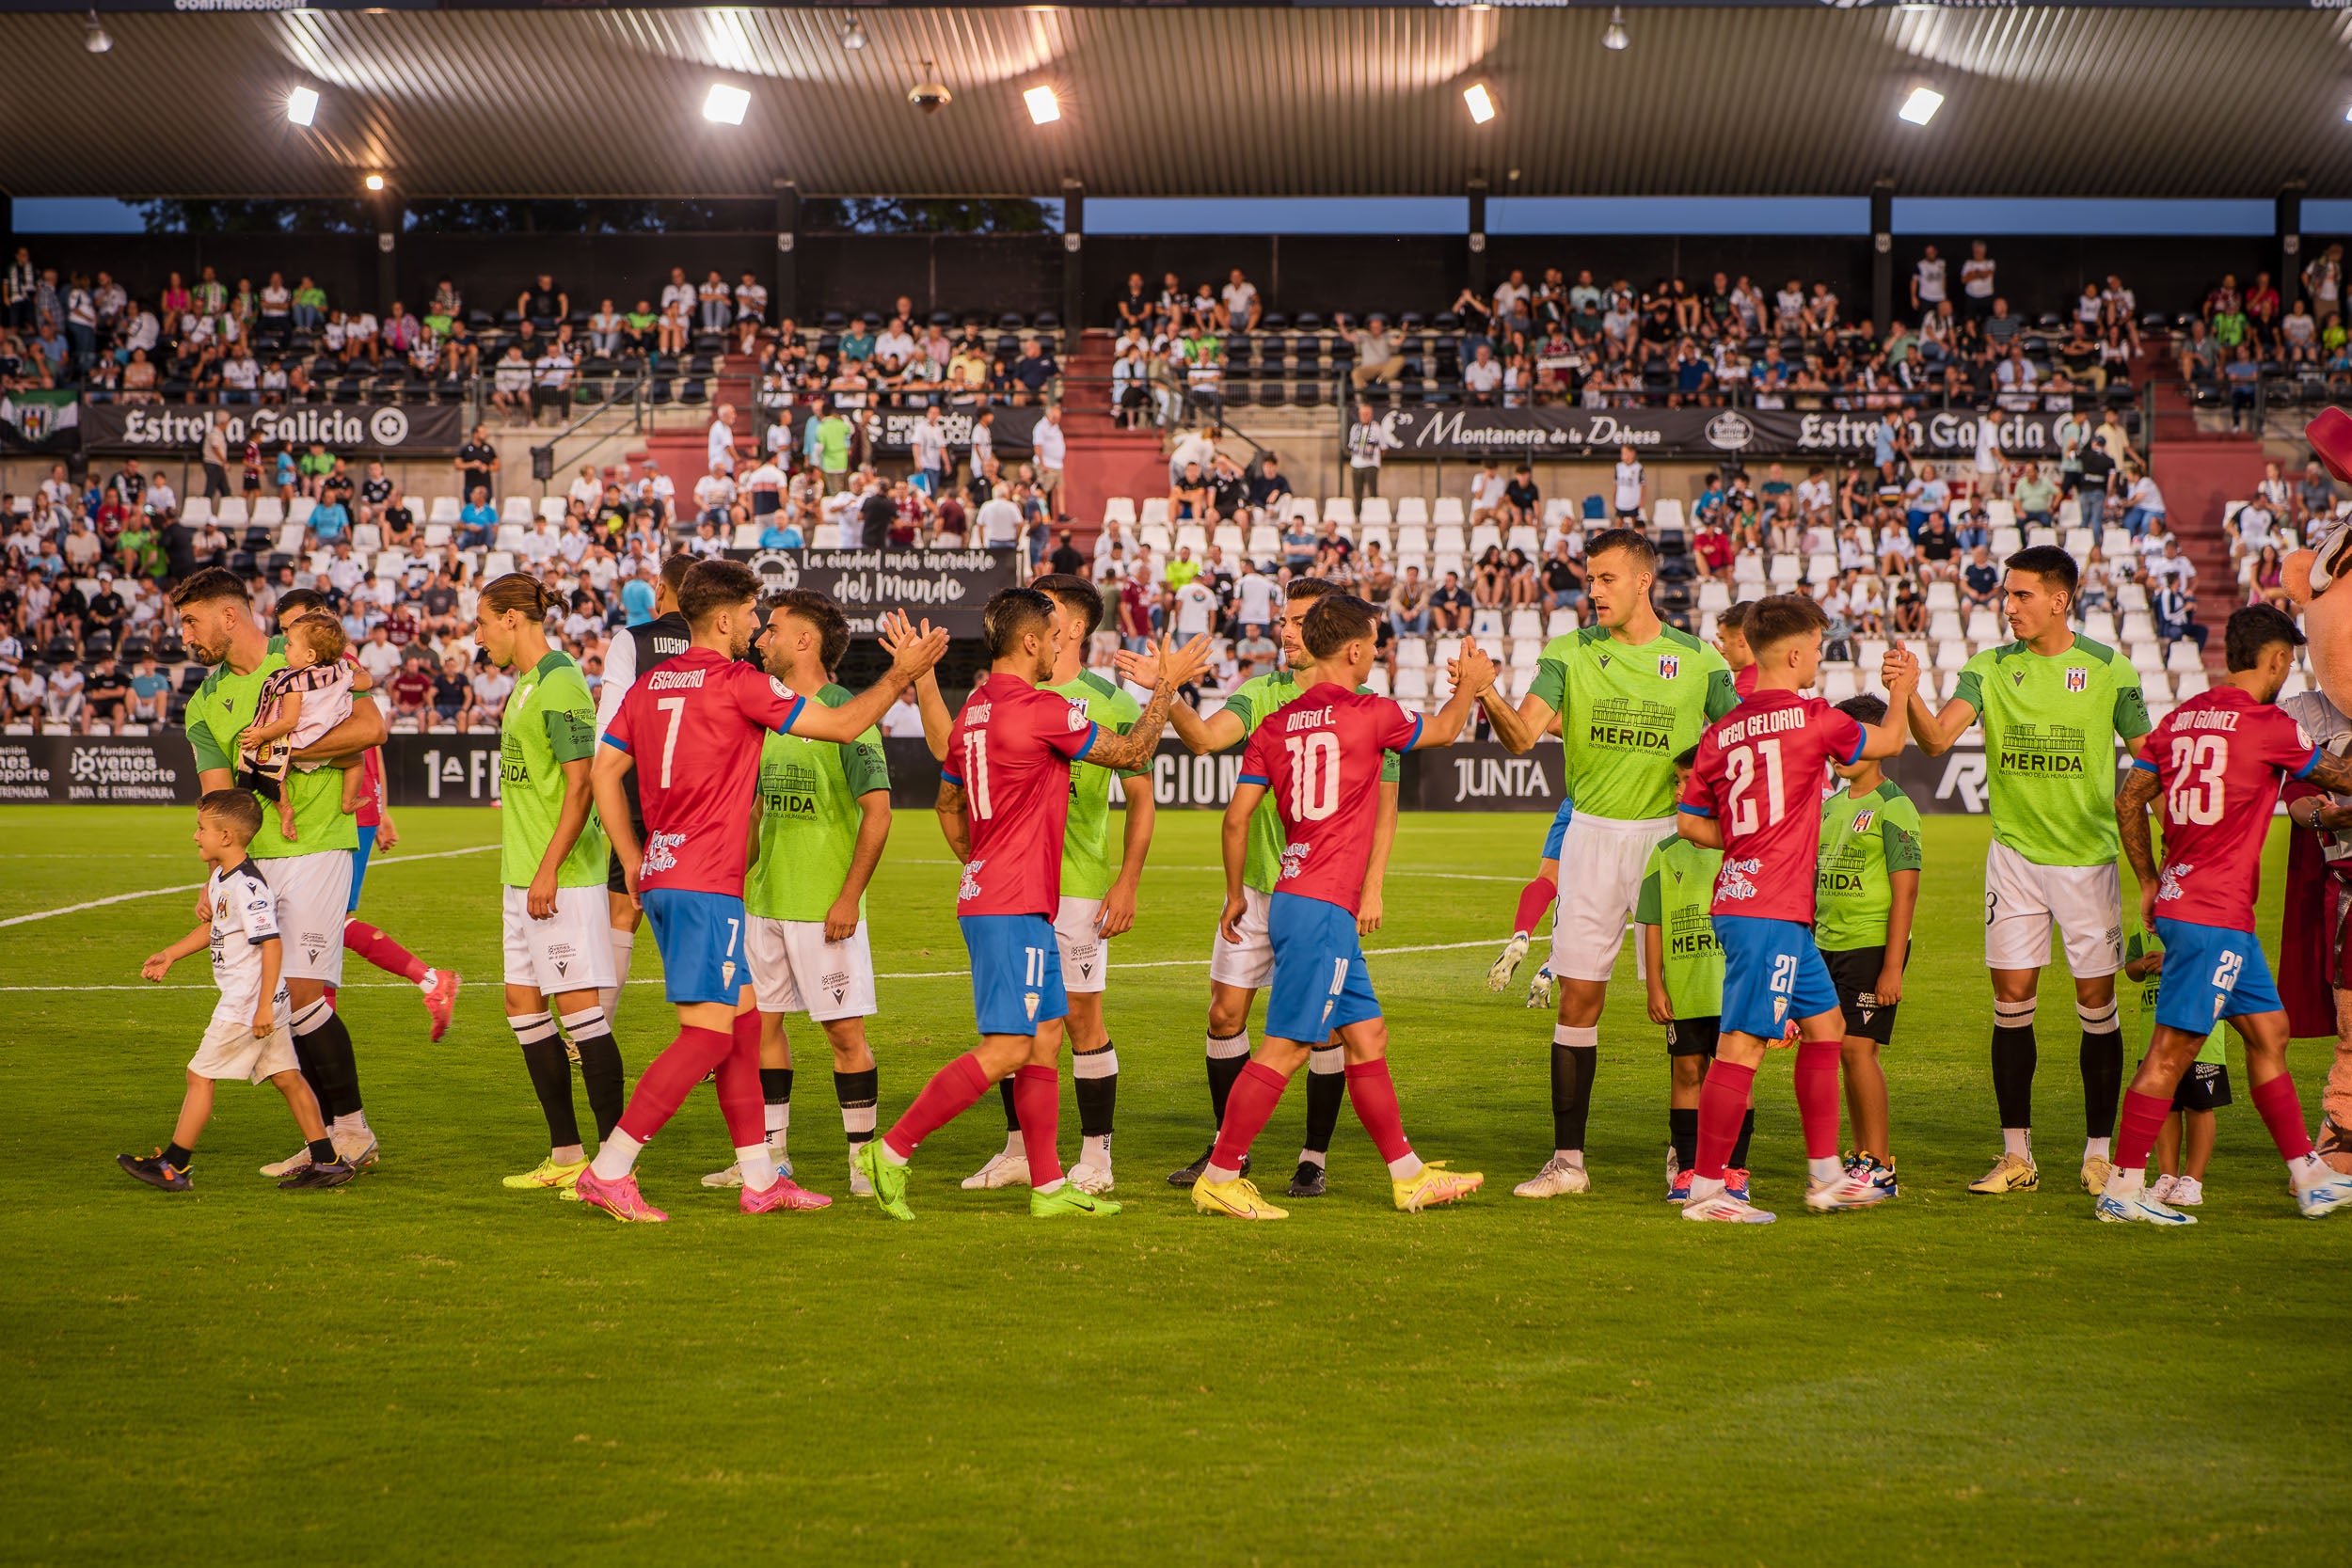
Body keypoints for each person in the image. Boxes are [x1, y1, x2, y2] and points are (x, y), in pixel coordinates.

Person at [575, 562, 948, 1224]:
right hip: (708, 882)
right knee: (707, 1039)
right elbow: (840, 725)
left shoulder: (649, 683)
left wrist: (632, 855)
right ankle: (610, 1168)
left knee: (745, 1029)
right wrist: (902, 676)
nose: (756, 624)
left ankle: (760, 1176)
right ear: (723, 619)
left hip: (666, 872)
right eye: (751, 613)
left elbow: (606, 772)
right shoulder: (737, 682)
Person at [851, 593, 1207, 1221]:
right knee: (1010, 1048)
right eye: (1050, 634)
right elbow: (1132, 753)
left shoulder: (977, 712)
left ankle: (1048, 1185)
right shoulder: (1041, 709)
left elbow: (946, 803)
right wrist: (1167, 687)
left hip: (1000, 897)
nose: (1055, 645)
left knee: (1043, 1039)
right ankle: (893, 1148)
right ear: (1031, 643)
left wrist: (979, 859)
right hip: (1015, 903)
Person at [1189, 594, 1494, 1221]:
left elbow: (1236, 818)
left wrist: (1233, 893)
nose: (1375, 651)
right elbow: (1442, 729)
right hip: (1326, 905)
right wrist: (1472, 686)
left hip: (1294, 893)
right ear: (1355, 650)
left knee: (1367, 1034)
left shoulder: (1274, 726)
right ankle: (1221, 1173)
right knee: (1287, 1047)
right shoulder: (1370, 713)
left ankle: (1407, 1175)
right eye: (1374, 643)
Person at [1476, 530, 1740, 1196]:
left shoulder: (1698, 660)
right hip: (1590, 836)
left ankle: (1690, 1161)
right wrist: (1487, 693)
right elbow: (1522, 734)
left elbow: (1742, 737)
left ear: (1644, 581)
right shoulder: (1568, 653)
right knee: (1578, 998)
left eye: (1605, 578)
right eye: (1588, 580)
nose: (1592, 591)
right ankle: (1568, 1162)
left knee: (1686, 1008)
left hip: (1671, 842)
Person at [1121, 578, 1405, 1198]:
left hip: (1325, 885)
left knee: (1329, 1028)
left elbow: (1386, 805)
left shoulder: (1365, 705)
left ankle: (1313, 1155)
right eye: (1284, 619)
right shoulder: (1261, 693)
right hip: (1257, 888)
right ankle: (1232, 1153)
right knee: (1225, 1013)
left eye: (1301, 621)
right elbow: (1203, 739)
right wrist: (1165, 689)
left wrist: (1373, 886)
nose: (1287, 631)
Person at [1897, 546, 2152, 1197]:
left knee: (2097, 1003)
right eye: (2006, 596)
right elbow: (1934, 741)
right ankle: (2016, 1156)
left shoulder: (2108, 669)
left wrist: (2161, 865)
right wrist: (1909, 694)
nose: (2007, 606)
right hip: (2013, 858)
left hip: (2087, 862)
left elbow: (2150, 759)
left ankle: (2099, 1153)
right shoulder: (1988, 668)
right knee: (2011, 1003)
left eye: (2021, 595)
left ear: (2059, 599)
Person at [904, 576, 1156, 1196]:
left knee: (1068, 1023)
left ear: (1070, 628)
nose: (1048, 631)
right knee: (1024, 1036)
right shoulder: (1026, 702)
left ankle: (1086, 1162)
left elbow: (1141, 794)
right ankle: (1007, 1153)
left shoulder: (1087, 699)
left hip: (1071, 887)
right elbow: (1131, 753)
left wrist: (1125, 881)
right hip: (1023, 889)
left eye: (1054, 616)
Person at [2100, 605, 2352, 1223]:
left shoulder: (2180, 719)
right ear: (2272, 659)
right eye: (2288, 661)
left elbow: (2129, 798)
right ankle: (2123, 1188)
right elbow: (2339, 775)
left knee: (2270, 1035)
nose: (2288, 671)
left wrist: (2150, 879)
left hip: (2203, 908)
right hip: (2215, 915)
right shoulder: (2268, 725)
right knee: (2171, 1051)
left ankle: (2308, 1177)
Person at [1675, 595, 1918, 1224]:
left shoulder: (1721, 731)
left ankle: (1825, 1176)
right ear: (1791, 653)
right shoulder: (1813, 717)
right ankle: (1706, 1189)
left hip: (1751, 900)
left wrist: (1746, 843)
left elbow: (1689, 820)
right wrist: (1904, 687)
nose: (1818, 656)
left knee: (1828, 1027)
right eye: (1815, 647)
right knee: (1742, 1047)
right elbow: (1891, 738)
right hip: (1771, 910)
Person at [174, 569, 387, 1177]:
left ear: (229, 616)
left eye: (193, 620)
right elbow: (220, 804)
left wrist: (280, 753)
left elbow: (372, 729)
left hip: (318, 843)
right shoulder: (202, 706)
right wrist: (214, 875)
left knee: (301, 992)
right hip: (257, 861)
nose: (186, 635)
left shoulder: (306, 648)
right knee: (284, 1001)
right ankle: (327, 1139)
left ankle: (350, 1132)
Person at [699, 590, 891, 1204]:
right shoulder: (766, 711)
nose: (762, 637)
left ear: (805, 641)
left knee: (844, 1036)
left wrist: (848, 897)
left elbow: (878, 813)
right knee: (761, 1030)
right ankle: (771, 1159)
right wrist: (734, 878)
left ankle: (864, 1162)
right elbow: (756, 809)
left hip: (822, 908)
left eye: (774, 629)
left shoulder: (848, 711)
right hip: (764, 903)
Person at [470, 575, 628, 1196]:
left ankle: (617, 1164)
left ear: (513, 618)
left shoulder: (561, 683)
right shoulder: (527, 685)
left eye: (483, 622)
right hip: (524, 878)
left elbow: (582, 781)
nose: (478, 636)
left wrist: (547, 868)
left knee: (581, 1014)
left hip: (561, 880)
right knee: (522, 1007)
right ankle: (567, 1151)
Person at [118, 789, 357, 1193]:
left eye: (201, 829)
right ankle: (328, 1161)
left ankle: (174, 1165)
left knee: (199, 1075)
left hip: (248, 1001)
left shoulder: (248, 887)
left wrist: (263, 1006)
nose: (195, 836)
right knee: (288, 1078)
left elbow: (272, 942)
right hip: (260, 999)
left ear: (226, 836)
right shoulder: (222, 878)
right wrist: (170, 955)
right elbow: (215, 929)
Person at [266, 590, 462, 1043]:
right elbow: (369, 743)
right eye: (282, 630)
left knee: (328, 922)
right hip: (357, 803)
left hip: (345, 808)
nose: (285, 638)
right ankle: (321, 1020)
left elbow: (372, 733)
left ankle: (428, 979)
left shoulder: (335, 664)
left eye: (293, 627)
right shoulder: (310, 666)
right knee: (325, 925)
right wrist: (385, 810)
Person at [1814, 693, 1924, 1196]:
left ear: (1878, 743)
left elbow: (1907, 890)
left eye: (1850, 738)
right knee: (1841, 1052)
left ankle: (1880, 1163)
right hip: (1827, 944)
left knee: (1859, 1050)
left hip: (1871, 945)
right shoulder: (1831, 807)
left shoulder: (1895, 805)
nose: (1839, 750)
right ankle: (1862, 1157)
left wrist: (1892, 967)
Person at [1636, 747, 1756, 1205]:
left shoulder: (1741, 848)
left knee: (1735, 1075)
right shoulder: (1665, 853)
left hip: (1734, 987)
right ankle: (1686, 1168)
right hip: (1684, 990)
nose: (1681, 789)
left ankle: (1734, 1169)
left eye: (1690, 780)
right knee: (1686, 1072)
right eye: (1677, 781)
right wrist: (1655, 983)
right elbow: (1652, 922)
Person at [591, 553, 695, 1024]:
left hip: (637, 793)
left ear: (660, 590)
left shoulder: (632, 640)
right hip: (700, 799)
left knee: (622, 910)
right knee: (698, 916)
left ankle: (594, 1033)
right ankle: (712, 1038)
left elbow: (608, 725)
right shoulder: (717, 644)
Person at [2121, 929, 2224, 1209]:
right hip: (2153, 1034)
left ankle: (2193, 1180)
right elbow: (2129, 966)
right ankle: (2168, 1176)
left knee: (2199, 1106)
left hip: (2199, 1032)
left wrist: (2172, 962)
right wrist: (2141, 965)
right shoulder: (2141, 921)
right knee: (2165, 1106)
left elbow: (2221, 961)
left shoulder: (2202, 914)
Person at [234, 613, 359, 843]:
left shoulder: (294, 684)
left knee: (273, 776)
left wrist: (261, 734)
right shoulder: (338, 673)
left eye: (290, 644)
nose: (285, 648)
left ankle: (285, 810)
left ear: (310, 655)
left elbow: (288, 722)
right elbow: (365, 683)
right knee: (357, 761)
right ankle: (348, 800)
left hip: (298, 745)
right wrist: (356, 669)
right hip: (326, 743)